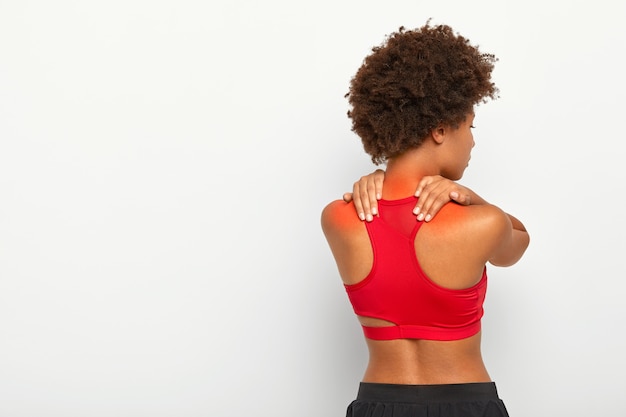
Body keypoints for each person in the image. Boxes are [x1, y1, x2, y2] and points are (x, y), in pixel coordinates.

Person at [320, 22, 530, 417]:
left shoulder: (338, 218)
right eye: (469, 125)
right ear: (439, 130)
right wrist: (474, 200)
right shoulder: (482, 224)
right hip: (467, 404)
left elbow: (391, 230)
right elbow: (520, 240)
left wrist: (383, 180)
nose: (472, 141)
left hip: (376, 404)